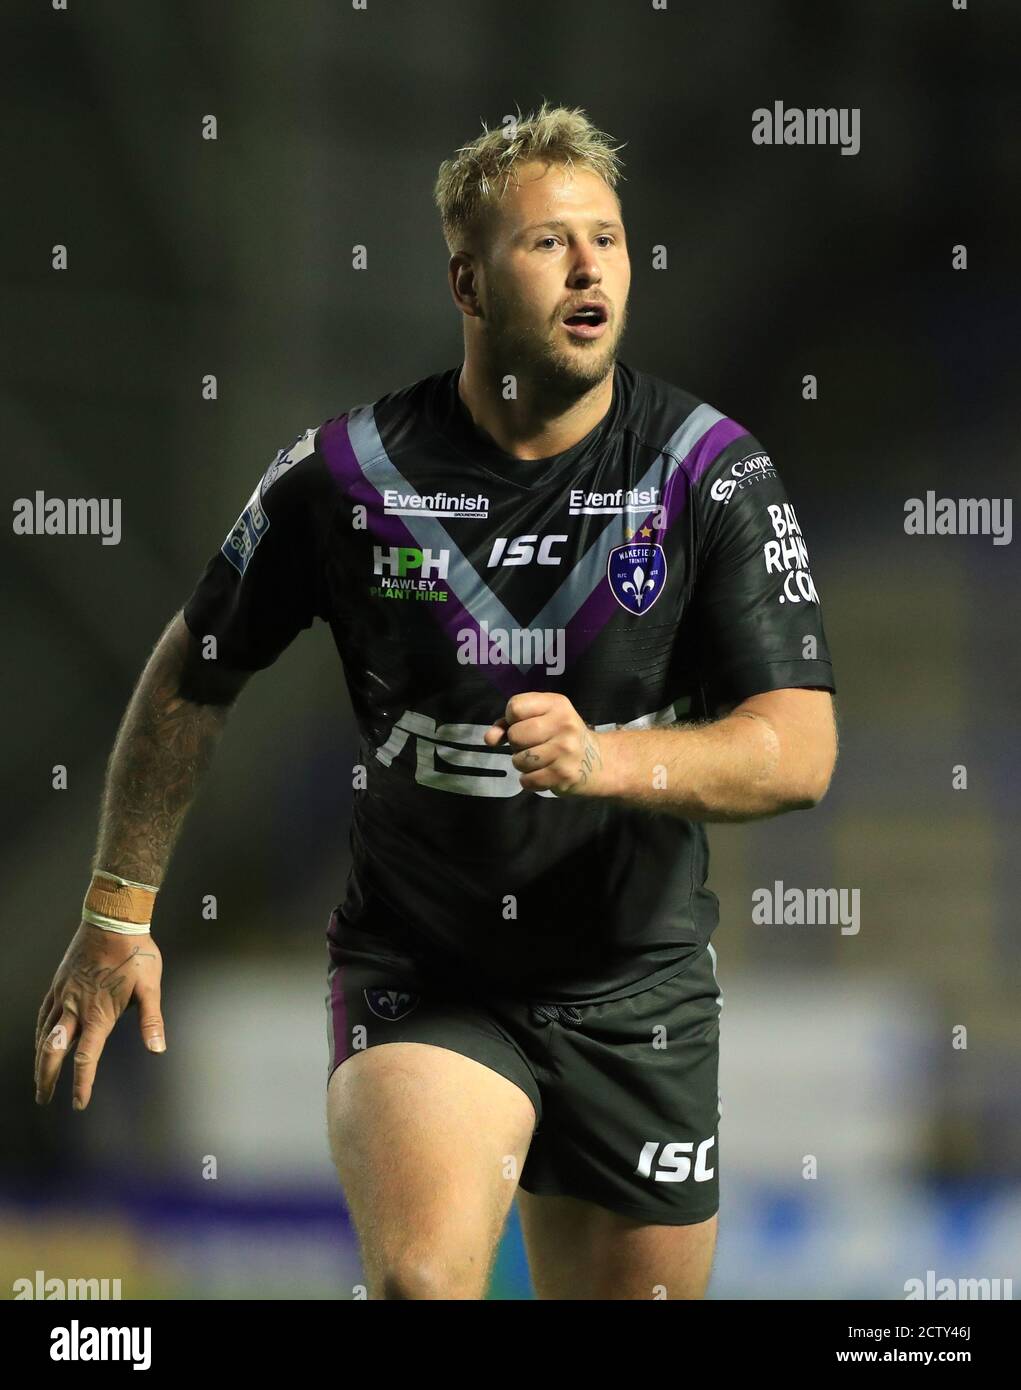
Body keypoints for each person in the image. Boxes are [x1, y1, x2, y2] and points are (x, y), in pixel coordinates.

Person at [34, 102, 838, 1300]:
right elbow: (192, 676)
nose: (589, 268)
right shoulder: (344, 476)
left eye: (608, 240)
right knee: (419, 1283)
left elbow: (799, 749)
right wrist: (116, 908)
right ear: (466, 282)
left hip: (638, 987)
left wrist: (610, 761)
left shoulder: (709, 472)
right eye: (549, 242)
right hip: (427, 970)